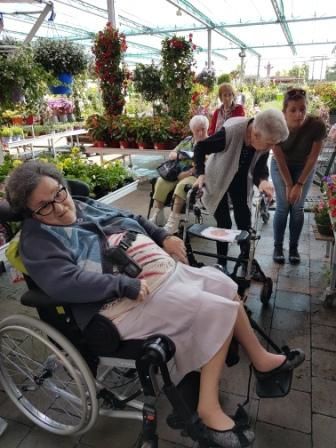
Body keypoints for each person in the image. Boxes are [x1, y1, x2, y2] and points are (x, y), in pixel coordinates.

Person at [6, 161, 304, 448]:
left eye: (59, 193)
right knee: (214, 309)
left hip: (159, 277)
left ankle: (261, 359)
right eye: (45, 206)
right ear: (31, 214)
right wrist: (123, 284)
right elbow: (66, 282)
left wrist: (163, 236)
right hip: (118, 304)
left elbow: (132, 218)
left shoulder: (83, 203)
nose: (59, 206)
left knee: (223, 283)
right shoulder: (38, 241)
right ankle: (208, 407)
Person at [193, 109, 289, 270]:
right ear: (255, 134)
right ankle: (221, 262)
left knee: (244, 218)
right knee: (224, 222)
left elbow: (259, 168)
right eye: (269, 143)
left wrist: (263, 182)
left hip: (241, 178)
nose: (271, 148)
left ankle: (245, 258)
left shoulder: (264, 139)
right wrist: (200, 174)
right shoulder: (231, 132)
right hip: (218, 177)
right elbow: (200, 148)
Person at [271, 88, 327, 264]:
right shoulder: (276, 125)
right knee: (283, 206)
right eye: (293, 110)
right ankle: (278, 246)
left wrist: (299, 184)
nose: (298, 114)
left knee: (297, 208)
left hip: (304, 166)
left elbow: (313, 158)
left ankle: (293, 247)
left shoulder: (316, 125)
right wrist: (289, 185)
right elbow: (278, 156)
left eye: (302, 109)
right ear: (284, 112)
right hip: (282, 166)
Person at [150, 115, 209, 234]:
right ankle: (158, 214)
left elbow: (209, 164)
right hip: (177, 172)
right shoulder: (187, 141)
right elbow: (171, 154)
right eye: (198, 130)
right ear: (192, 131)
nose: (201, 132)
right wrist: (181, 155)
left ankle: (173, 222)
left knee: (182, 186)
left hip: (196, 176)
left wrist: (189, 172)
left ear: (207, 128)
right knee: (161, 182)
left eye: (203, 129)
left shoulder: (210, 143)